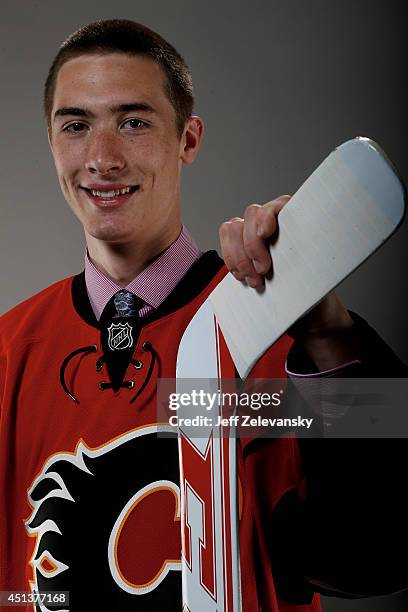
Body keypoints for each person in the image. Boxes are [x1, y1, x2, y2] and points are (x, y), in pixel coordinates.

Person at [0, 19, 406, 612]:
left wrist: (327, 336)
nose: (102, 158)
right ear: (52, 143)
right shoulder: (10, 350)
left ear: (188, 140)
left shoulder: (277, 333)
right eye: (76, 126)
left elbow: (371, 560)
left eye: (133, 122)